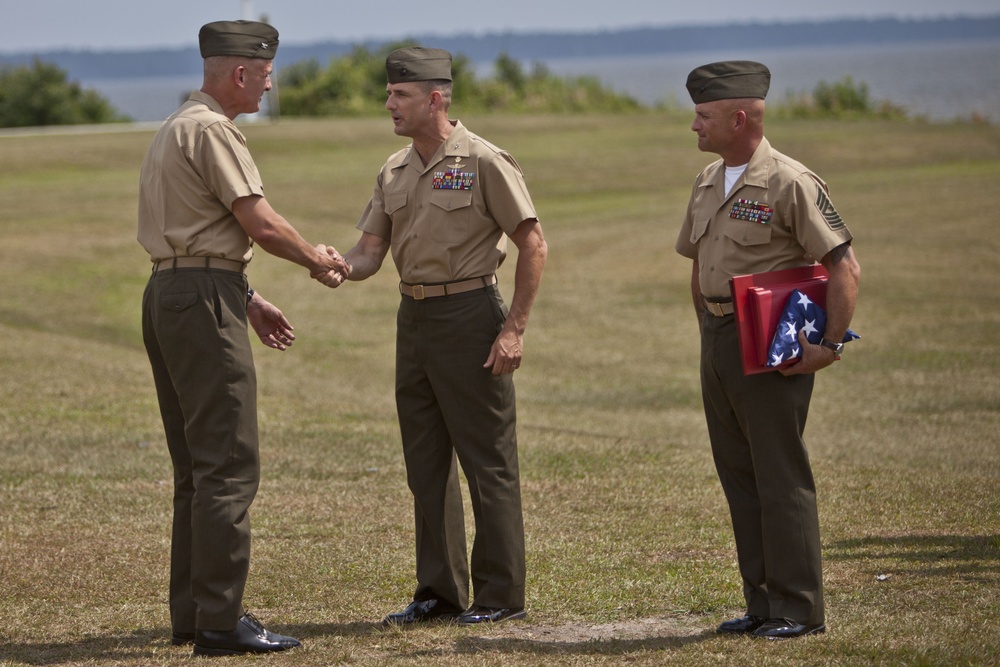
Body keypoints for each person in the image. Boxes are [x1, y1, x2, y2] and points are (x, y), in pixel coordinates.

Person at [137, 20, 349, 656]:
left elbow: (188, 232)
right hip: (201, 300)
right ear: (239, 73)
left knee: (196, 469)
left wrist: (248, 297)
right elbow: (257, 220)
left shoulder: (176, 126)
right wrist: (317, 258)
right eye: (264, 73)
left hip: (174, 293)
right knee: (227, 464)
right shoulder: (213, 130)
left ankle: (196, 614)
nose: (269, 82)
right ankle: (222, 623)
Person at [327, 47, 547, 625]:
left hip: (472, 314)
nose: (389, 104)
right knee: (425, 463)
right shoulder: (394, 169)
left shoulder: (483, 160)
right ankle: (439, 591)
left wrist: (514, 328)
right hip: (414, 319)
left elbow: (533, 243)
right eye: (388, 94)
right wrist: (336, 265)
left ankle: (500, 594)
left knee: (487, 461)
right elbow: (370, 251)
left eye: (400, 95)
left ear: (436, 99)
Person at [675, 61, 861, 639]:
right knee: (739, 473)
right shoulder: (708, 179)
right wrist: (708, 324)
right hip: (719, 338)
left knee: (780, 476)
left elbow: (844, 267)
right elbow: (698, 260)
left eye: (703, 115)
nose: (694, 126)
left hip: (773, 343)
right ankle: (761, 603)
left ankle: (799, 609)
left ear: (739, 117)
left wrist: (828, 345)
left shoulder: (791, 182)